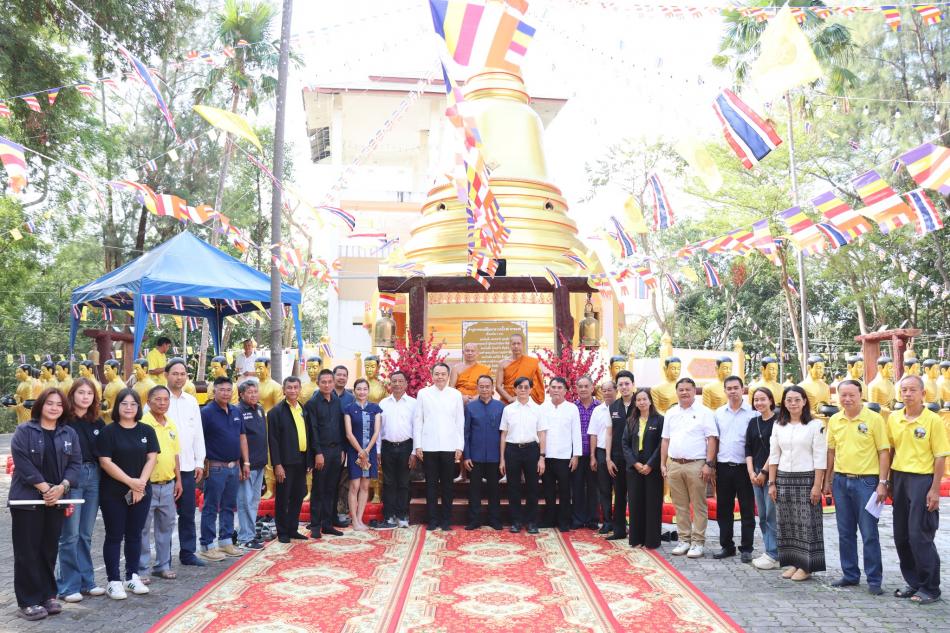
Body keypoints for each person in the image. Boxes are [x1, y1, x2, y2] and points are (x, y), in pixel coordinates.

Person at [10, 389, 81, 620]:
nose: (54, 408)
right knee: (27, 551)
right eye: (49, 403)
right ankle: (28, 601)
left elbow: (75, 464)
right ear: (40, 405)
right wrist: (45, 489)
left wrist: (62, 487)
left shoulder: (69, 433)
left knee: (48, 549)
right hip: (28, 501)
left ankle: (48, 595)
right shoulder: (24, 431)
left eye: (59, 404)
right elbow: (22, 462)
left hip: (56, 500)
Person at [823, 379, 890, 595]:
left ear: (861, 394)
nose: (847, 399)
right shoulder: (834, 420)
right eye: (843, 395)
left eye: (852, 394)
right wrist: (827, 480)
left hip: (867, 482)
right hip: (841, 481)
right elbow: (831, 452)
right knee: (845, 532)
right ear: (838, 397)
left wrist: (882, 482)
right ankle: (850, 574)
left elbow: (883, 451)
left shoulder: (874, 419)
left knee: (869, 532)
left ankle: (874, 579)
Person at [887, 375, 949, 604]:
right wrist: (889, 482)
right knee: (902, 535)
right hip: (900, 478)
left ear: (923, 394)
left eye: (913, 390)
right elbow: (891, 450)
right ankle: (913, 582)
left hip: (923, 480)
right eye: (904, 390)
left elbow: (940, 456)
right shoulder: (894, 418)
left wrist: (934, 490)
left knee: (919, 535)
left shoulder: (933, 420)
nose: (907, 394)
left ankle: (930, 587)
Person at [97, 388, 158, 600]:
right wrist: (131, 483)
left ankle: (132, 576)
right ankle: (113, 581)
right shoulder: (108, 432)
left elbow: (152, 458)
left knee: (135, 534)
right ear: (117, 406)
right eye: (124, 404)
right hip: (113, 493)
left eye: (133, 404)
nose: (129, 407)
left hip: (141, 492)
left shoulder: (147, 431)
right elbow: (105, 462)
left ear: (139, 407)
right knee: (114, 535)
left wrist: (140, 484)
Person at [768, 385, 827, 582]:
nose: (793, 403)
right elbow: (774, 455)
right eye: (789, 400)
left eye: (797, 399)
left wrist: (817, 485)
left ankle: (806, 566)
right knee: (786, 523)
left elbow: (820, 458)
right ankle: (792, 562)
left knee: (806, 524)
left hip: (807, 479)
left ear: (804, 402)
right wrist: (772, 483)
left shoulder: (815, 425)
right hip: (784, 478)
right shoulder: (778, 425)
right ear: (783, 403)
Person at [56, 378, 106, 602]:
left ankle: (88, 582)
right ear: (72, 394)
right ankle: (67, 586)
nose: (86, 397)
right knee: (70, 535)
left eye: (90, 393)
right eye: (81, 392)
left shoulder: (97, 422)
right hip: (71, 479)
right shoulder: (63, 421)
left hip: (93, 476)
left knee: (85, 534)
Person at [660, 377, 718, 559]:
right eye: (681, 389)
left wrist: (709, 464)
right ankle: (684, 539)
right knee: (680, 505)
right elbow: (665, 440)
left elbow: (712, 439)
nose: (684, 392)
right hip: (675, 464)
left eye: (688, 389)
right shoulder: (670, 413)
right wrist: (663, 463)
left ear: (694, 391)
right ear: (676, 392)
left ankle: (698, 542)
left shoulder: (704, 412)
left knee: (699, 504)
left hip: (697, 464)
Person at [164, 358, 206, 567]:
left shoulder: (191, 401)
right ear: (166, 375)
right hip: (164, 470)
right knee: (164, 516)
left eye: (182, 374)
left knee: (188, 513)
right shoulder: (158, 399)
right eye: (175, 373)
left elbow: (197, 432)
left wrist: (200, 461)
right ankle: (163, 559)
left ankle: (188, 553)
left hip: (188, 467)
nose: (179, 377)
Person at [199, 377, 246, 560]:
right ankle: (207, 545)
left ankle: (226, 541)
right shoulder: (207, 412)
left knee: (229, 506)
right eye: (222, 390)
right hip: (216, 466)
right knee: (211, 507)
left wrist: (243, 463)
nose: (226, 393)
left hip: (234, 466)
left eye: (229, 390)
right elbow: (199, 439)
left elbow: (241, 437)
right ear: (214, 391)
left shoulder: (236, 411)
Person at [413, 363, 465, 530]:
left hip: (449, 446)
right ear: (432, 375)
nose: (440, 377)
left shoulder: (455, 394)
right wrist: (418, 446)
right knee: (431, 485)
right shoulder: (423, 394)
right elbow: (418, 420)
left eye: (443, 374)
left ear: (448, 376)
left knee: (448, 486)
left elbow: (459, 422)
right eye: (437, 374)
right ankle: (432, 520)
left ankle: (446, 520)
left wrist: (459, 447)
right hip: (429, 446)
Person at [138, 385, 182, 580]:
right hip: (148, 486)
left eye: (166, 399)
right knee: (142, 528)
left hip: (168, 484)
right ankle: (141, 568)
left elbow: (175, 455)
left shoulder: (170, 424)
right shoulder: (142, 424)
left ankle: (162, 565)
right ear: (148, 402)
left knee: (166, 527)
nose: (162, 403)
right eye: (158, 399)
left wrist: (178, 480)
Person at [712, 376, 757, 562]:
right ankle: (726, 546)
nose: (732, 391)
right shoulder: (718, 413)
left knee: (747, 509)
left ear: (743, 389)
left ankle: (746, 548)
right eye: (729, 388)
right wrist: (711, 465)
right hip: (723, 467)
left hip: (744, 468)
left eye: (736, 388)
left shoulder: (752, 414)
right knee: (724, 509)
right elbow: (714, 441)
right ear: (725, 391)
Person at [267, 376, 313, 543]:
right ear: (284, 390)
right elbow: (273, 441)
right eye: (290, 388)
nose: (293, 390)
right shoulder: (276, 412)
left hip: (301, 460)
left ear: (299, 389)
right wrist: (277, 465)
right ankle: (283, 531)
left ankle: (293, 528)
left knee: (297, 495)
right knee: (283, 497)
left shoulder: (303, 409)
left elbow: (308, 435)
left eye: (296, 387)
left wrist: (309, 461)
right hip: (285, 462)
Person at [499, 376, 545, 534]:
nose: (523, 390)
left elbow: (542, 434)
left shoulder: (538, 409)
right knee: (513, 487)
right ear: (515, 389)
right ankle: (516, 521)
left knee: (532, 487)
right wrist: (502, 459)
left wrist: (542, 457)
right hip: (512, 450)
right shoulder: (508, 409)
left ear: (531, 389)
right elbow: (503, 435)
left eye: (526, 387)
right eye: (520, 387)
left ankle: (532, 522)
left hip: (532, 449)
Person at [304, 369, 346, 537]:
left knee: (332, 489)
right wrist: (318, 453)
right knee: (319, 489)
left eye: (330, 381)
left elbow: (341, 426)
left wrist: (342, 448)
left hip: (337, 451)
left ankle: (328, 524)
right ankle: (315, 526)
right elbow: (312, 430)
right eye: (324, 382)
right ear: (318, 383)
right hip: (321, 452)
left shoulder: (337, 401)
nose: (327, 385)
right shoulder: (312, 404)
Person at [622, 387, 664, 549]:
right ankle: (636, 539)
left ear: (650, 401)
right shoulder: (631, 420)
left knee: (652, 504)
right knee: (635, 503)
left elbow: (662, 444)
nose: (641, 402)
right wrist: (635, 463)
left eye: (644, 399)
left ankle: (651, 540)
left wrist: (650, 464)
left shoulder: (659, 420)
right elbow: (624, 444)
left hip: (652, 468)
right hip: (634, 468)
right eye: (638, 400)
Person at [539, 377, 582, 532]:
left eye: (559, 387)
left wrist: (576, 455)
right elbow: (540, 433)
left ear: (565, 391)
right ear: (548, 389)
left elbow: (576, 433)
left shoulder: (572, 408)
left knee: (564, 491)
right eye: (553, 387)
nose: (556, 390)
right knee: (548, 490)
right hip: (547, 456)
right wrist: (540, 456)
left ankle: (564, 520)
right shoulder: (542, 408)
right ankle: (549, 519)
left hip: (565, 457)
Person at [463, 374, 505, 530]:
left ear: (493, 388)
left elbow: (504, 434)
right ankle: (474, 520)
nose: (485, 389)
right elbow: (466, 433)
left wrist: (503, 458)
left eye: (488, 386)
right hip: (475, 456)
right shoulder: (470, 407)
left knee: (494, 490)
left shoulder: (500, 407)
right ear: (477, 388)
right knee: (474, 490)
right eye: (482, 386)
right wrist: (466, 456)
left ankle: (495, 520)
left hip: (494, 456)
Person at [746, 387, 779, 570]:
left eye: (763, 399)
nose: (759, 403)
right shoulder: (753, 422)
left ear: (771, 400)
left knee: (771, 514)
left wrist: (764, 473)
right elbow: (748, 449)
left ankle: (774, 553)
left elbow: (776, 450)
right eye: (756, 400)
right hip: (756, 472)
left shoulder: (778, 421)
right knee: (763, 515)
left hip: (771, 472)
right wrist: (751, 472)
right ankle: (769, 550)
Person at [378, 370, 417, 529]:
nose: (397, 384)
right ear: (390, 384)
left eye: (401, 381)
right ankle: (389, 516)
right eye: (394, 381)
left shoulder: (414, 404)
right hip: (387, 446)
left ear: (406, 384)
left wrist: (414, 452)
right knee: (388, 482)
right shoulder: (383, 403)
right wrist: (378, 451)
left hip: (406, 447)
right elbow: (378, 429)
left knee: (403, 482)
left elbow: (417, 428)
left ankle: (402, 515)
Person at [343, 379, 382, 531]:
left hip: (369, 452)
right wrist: (360, 451)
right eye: (359, 389)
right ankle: (354, 520)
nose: (362, 392)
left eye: (365, 389)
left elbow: (377, 431)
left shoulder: (375, 408)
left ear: (368, 390)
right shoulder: (348, 409)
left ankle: (360, 519)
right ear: (354, 391)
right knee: (354, 485)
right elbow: (348, 433)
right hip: (355, 452)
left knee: (365, 486)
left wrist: (367, 451)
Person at [235, 379, 268, 550]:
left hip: (260, 463)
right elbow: (238, 439)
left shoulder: (260, 409)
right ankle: (244, 537)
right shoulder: (238, 410)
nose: (254, 395)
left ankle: (249, 533)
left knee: (254, 501)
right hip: (246, 465)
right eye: (250, 392)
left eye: (255, 392)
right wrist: (242, 463)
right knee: (244, 501)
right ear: (241, 394)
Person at [606, 370, 636, 540]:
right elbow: (609, 434)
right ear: (617, 387)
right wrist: (608, 458)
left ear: (633, 385)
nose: (624, 387)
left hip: (636, 458)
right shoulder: (613, 407)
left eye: (627, 384)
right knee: (619, 494)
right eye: (621, 385)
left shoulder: (640, 403)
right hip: (617, 458)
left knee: (635, 495)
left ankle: (636, 530)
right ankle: (619, 530)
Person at [588, 380, 616, 534]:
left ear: (616, 390)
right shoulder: (597, 410)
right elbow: (593, 434)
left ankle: (619, 521)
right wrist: (592, 456)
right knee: (604, 489)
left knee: (619, 490)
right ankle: (607, 521)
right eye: (604, 390)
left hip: (618, 453)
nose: (607, 393)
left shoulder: (621, 408)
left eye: (610, 389)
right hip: (600, 451)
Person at [572, 376, 601, 529]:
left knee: (593, 487)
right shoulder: (572, 407)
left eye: (586, 386)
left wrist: (595, 455)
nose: (583, 389)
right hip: (577, 453)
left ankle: (592, 519)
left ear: (592, 388)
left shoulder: (599, 407)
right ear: (576, 389)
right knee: (576, 487)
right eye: (580, 386)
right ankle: (577, 519)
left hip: (594, 454)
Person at [497, 333, 545, 405]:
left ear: (523, 345)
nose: (516, 346)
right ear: (510, 345)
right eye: (513, 344)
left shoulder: (532, 362)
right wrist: (510, 398)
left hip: (526, 401)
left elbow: (536, 385)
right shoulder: (502, 363)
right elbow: (498, 386)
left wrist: (523, 397)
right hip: (506, 401)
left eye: (518, 343)